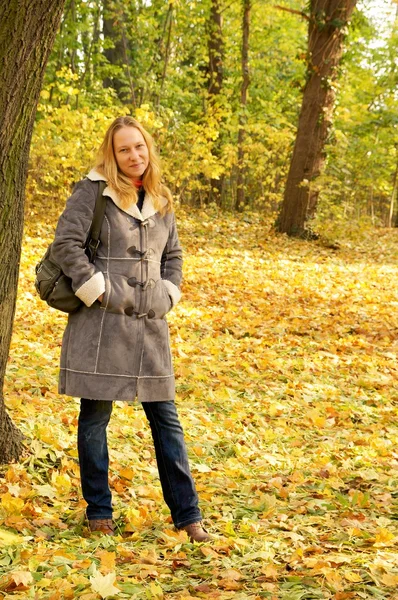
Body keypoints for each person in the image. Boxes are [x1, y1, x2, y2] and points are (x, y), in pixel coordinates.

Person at [51, 116, 210, 541]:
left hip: (150, 326)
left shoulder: (161, 197)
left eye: (138, 146)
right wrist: (98, 288)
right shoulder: (92, 191)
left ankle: (188, 516)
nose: (133, 155)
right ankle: (99, 511)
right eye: (124, 149)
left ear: (147, 148)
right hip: (101, 324)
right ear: (112, 153)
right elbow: (65, 244)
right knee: (95, 419)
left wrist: (169, 293)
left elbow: (172, 254)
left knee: (167, 419)